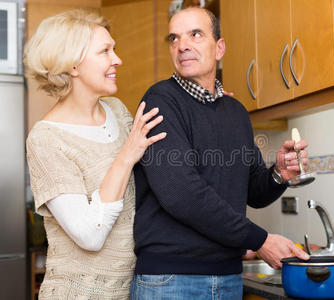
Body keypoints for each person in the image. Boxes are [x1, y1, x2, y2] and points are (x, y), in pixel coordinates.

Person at [131, 7, 310, 299]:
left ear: (220, 47)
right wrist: (260, 239)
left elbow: (251, 190)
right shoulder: (160, 101)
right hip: (171, 280)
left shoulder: (236, 112)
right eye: (174, 39)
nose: (182, 45)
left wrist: (279, 174)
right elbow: (181, 193)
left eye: (195, 34)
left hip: (228, 276)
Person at [25, 9, 166, 299]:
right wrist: (126, 156)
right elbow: (91, 234)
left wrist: (206, 108)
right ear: (73, 65)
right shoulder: (46, 139)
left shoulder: (117, 111)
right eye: (105, 51)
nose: (118, 59)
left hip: (132, 288)